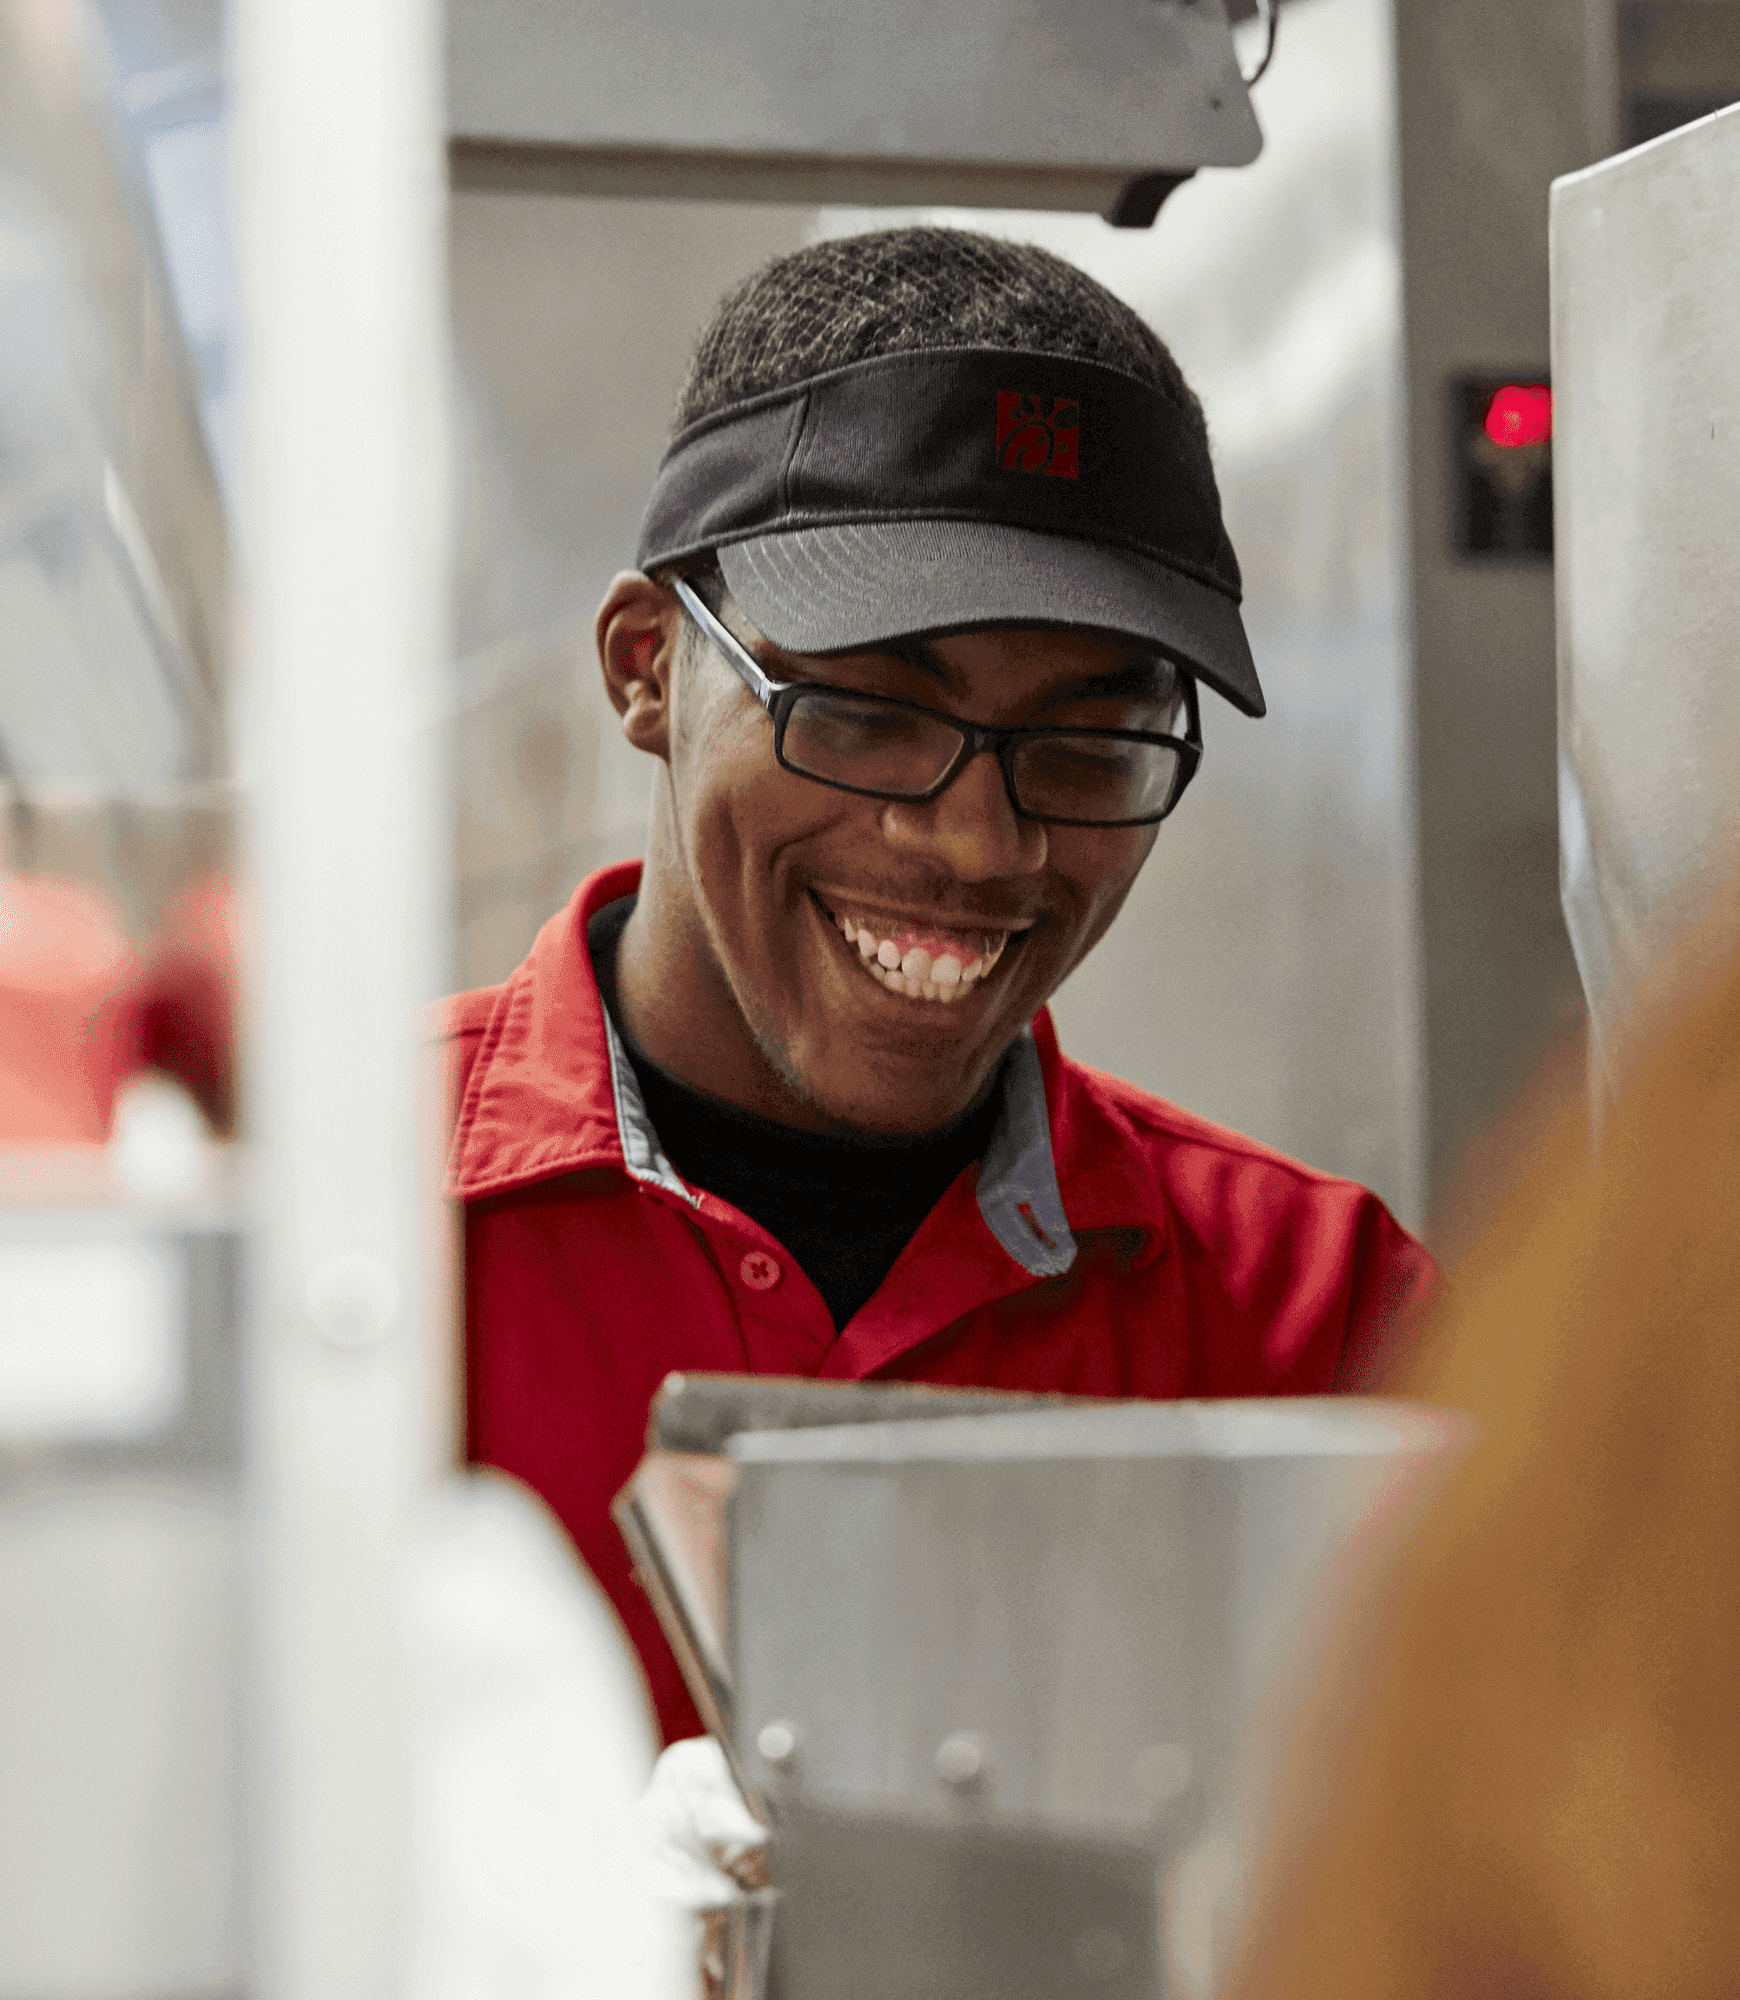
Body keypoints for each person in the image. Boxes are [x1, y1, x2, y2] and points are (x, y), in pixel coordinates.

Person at [443, 226, 1436, 1749]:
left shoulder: (1317, 1326)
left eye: (1089, 744)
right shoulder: (342, 1248)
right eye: (864, 711)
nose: (982, 841)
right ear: (649, 668)